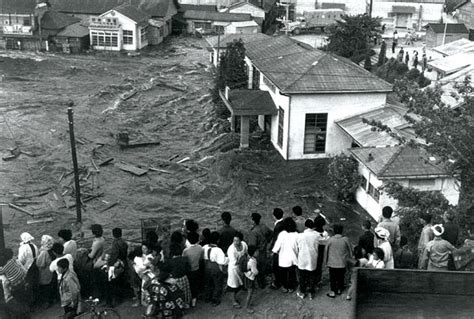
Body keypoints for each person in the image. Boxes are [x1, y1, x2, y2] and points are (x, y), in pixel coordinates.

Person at [272, 217, 298, 293]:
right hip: (293, 258)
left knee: (283, 274)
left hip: (283, 258)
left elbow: (276, 247)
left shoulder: (282, 234)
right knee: (292, 273)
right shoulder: (296, 234)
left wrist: (274, 252)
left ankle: (285, 286)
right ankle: (291, 287)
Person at [325, 224, 352, 298]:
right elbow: (350, 250)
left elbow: (326, 252)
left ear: (334, 231)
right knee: (341, 276)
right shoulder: (346, 239)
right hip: (342, 262)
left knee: (333, 278)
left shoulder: (330, 240)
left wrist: (325, 262)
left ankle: (333, 291)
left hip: (332, 263)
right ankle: (340, 289)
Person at [247, 212, 272, 288]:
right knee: (263, 266)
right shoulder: (263, 226)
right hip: (263, 251)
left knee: (258, 267)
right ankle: (263, 281)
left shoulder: (253, 232)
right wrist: (267, 240)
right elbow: (271, 233)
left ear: (253, 220)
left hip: (257, 252)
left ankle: (261, 284)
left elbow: (252, 245)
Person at [203, 231, 228, 306]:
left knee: (208, 283)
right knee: (217, 284)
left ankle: (207, 297)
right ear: (218, 240)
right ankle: (215, 299)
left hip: (206, 267)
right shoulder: (218, 250)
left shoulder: (204, 247)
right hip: (215, 268)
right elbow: (222, 262)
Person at [0, 248, 29, 314]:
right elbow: (15, 258)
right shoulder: (12, 260)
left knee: (18, 299)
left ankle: (23, 312)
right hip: (22, 280)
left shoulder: (4, 268)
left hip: (15, 285)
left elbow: (0, 272)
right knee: (23, 297)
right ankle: (26, 309)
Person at [296, 219, 319, 300]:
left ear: (305, 226)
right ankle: (311, 293)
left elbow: (297, 246)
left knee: (302, 276)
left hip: (302, 257)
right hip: (312, 257)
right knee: (312, 275)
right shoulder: (316, 235)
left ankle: (302, 292)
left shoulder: (300, 235)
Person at [227, 231, 248, 309]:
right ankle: (233, 301)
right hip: (234, 269)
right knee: (233, 285)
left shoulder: (244, 244)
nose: (235, 242)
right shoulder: (231, 249)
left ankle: (242, 287)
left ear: (241, 240)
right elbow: (234, 262)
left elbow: (246, 253)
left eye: (237, 240)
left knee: (241, 280)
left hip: (241, 266)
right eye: (234, 240)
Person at [182, 231, 203, 307]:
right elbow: (201, 259)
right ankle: (194, 299)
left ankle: (189, 299)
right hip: (197, 269)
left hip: (189, 271)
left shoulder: (186, 251)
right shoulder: (200, 248)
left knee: (189, 285)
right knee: (195, 285)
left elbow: (184, 260)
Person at [168, 244, 191, 308]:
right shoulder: (185, 259)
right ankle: (186, 304)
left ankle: (177, 306)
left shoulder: (171, 261)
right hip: (184, 278)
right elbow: (188, 269)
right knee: (185, 292)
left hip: (174, 280)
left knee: (176, 293)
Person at [36, 235, 55, 308]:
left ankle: (46, 303)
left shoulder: (44, 252)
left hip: (45, 273)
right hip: (51, 272)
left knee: (45, 289)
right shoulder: (52, 249)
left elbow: (39, 263)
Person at [270, 208, 285, 290]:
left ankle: (277, 282)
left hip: (278, 249)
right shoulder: (283, 223)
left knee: (276, 266)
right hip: (284, 247)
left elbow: (275, 240)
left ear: (274, 216)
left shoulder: (277, 226)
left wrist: (272, 249)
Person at [314, 210, 329, 287]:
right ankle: (318, 280)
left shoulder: (313, 234)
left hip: (314, 251)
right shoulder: (325, 234)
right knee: (319, 266)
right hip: (321, 251)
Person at [244, 245, 259, 314]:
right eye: (257, 251)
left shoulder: (248, 258)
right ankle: (247, 307)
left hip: (247, 276)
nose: (258, 253)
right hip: (250, 278)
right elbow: (254, 271)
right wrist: (257, 272)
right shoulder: (253, 261)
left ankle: (249, 304)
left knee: (250, 292)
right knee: (250, 293)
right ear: (254, 252)